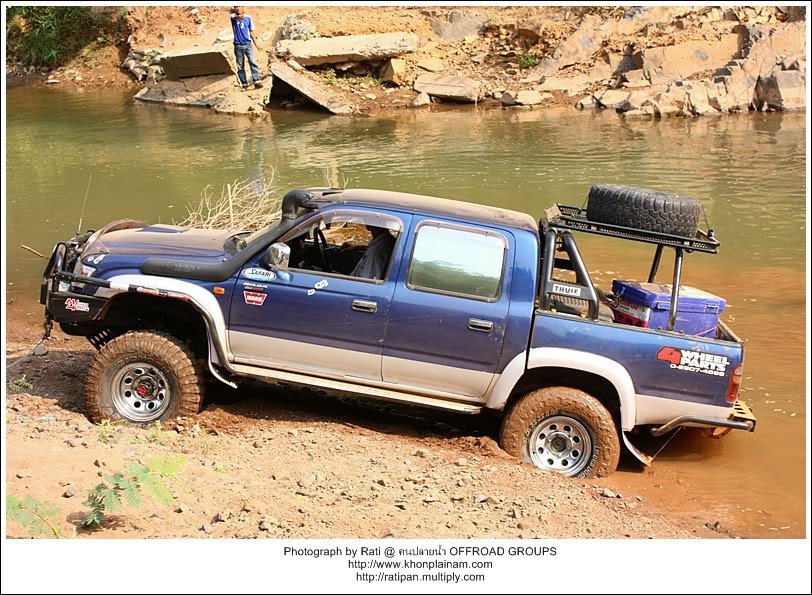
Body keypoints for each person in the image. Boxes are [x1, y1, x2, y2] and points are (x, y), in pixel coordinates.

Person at [230, 6, 262, 89]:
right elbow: (233, 16)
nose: (238, 8)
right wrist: (238, 16)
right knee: (240, 65)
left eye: (239, 6)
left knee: (253, 62)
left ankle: (256, 80)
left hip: (248, 44)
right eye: (236, 7)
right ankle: (244, 83)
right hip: (238, 45)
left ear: (243, 7)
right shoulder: (233, 17)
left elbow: (251, 31)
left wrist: (256, 44)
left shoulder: (248, 18)